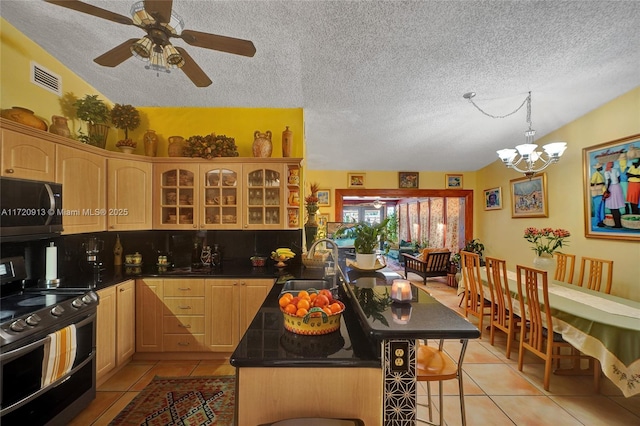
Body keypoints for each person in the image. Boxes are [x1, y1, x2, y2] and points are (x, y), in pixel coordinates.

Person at [604, 161, 625, 228]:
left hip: (612, 188)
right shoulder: (616, 170)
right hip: (617, 187)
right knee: (617, 206)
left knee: (613, 207)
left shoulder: (606, 172)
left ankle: (617, 225)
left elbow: (609, 181)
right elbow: (619, 179)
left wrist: (607, 190)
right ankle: (618, 224)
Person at [589, 162, 606, 227]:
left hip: (601, 193)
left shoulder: (600, 174)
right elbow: (592, 183)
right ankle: (597, 221)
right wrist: (601, 184)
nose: (602, 167)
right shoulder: (595, 174)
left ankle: (601, 221)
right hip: (597, 193)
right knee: (597, 208)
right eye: (601, 166)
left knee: (602, 208)